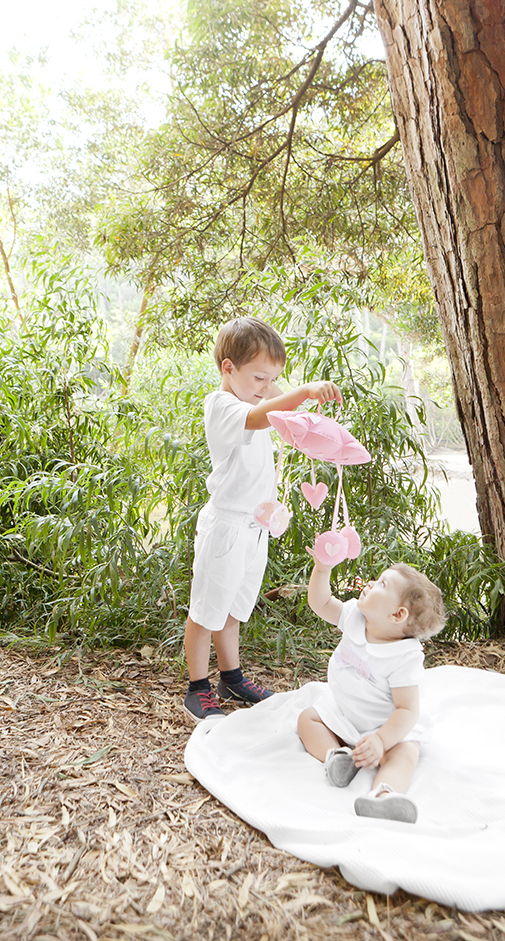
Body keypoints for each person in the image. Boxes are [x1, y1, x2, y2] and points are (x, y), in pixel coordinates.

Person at [184, 316, 343, 721]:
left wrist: (305, 400)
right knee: (207, 610)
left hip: (255, 527)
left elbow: (274, 401)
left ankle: (231, 677)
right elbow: (264, 413)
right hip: (226, 526)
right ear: (228, 368)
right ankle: (198, 687)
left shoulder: (255, 398)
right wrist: (303, 391)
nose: (265, 387)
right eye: (258, 377)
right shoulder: (224, 406)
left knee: (235, 608)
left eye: (271, 379)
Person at [296, 560, 447, 823]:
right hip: (346, 714)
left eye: (382, 584)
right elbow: (320, 603)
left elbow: (407, 710)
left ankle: (385, 795)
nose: (370, 583)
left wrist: (380, 740)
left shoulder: (404, 657)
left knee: (406, 751)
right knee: (308, 719)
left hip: (385, 726)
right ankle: (335, 758)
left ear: (397, 615)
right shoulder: (355, 615)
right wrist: (322, 568)